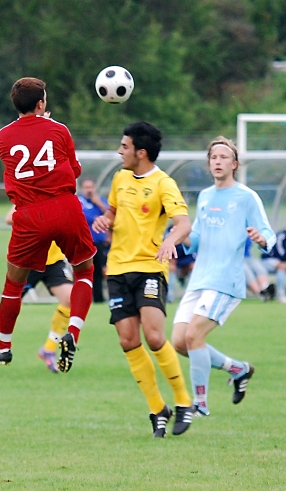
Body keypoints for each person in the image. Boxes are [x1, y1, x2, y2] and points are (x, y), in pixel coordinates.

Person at [91, 121, 194, 438]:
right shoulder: (120, 178)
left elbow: (183, 224)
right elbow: (113, 211)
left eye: (124, 147)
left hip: (150, 268)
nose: (119, 152)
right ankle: (157, 408)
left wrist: (169, 241)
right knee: (127, 339)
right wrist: (105, 219)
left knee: (153, 335)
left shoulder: (164, 183)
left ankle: (183, 402)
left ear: (141, 152)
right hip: (118, 269)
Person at [0, 77, 96, 373]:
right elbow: (73, 170)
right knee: (85, 271)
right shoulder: (59, 129)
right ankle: (72, 333)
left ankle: (4, 347)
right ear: (41, 103)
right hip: (64, 208)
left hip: (28, 215)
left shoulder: (2, 136)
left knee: (14, 283)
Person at [171, 135, 276, 416]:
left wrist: (262, 239)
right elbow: (195, 240)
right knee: (180, 342)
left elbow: (268, 233)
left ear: (235, 163)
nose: (218, 161)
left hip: (225, 281)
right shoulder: (205, 197)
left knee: (194, 337)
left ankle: (199, 404)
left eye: (223, 157)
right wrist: (177, 232)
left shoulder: (246, 197)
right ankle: (238, 369)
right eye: (213, 158)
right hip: (199, 280)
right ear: (209, 164)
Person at [0, 206, 73, 374]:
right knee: (7, 308)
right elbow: (9, 218)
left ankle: (48, 349)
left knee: (70, 298)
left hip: (54, 261)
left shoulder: (60, 193)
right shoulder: (28, 194)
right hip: (28, 261)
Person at [78, 178, 111, 303]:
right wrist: (98, 217)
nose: (89, 190)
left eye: (91, 187)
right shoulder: (79, 201)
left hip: (99, 242)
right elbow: (84, 216)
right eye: (86, 187)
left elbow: (110, 214)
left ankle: (99, 299)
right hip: (84, 242)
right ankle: (83, 299)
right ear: (82, 188)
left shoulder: (100, 200)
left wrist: (99, 204)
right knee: (85, 271)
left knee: (100, 271)